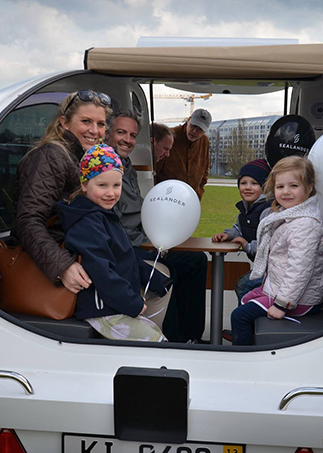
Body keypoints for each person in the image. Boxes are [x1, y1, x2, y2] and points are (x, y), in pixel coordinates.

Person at [106, 109, 208, 343]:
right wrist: (150, 243)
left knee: (196, 261)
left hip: (142, 239)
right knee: (172, 268)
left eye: (132, 135)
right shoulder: (106, 167)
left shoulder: (126, 165)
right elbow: (113, 222)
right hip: (128, 246)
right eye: (121, 132)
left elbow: (138, 208)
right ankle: (173, 339)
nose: (128, 140)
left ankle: (190, 336)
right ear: (108, 133)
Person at [56, 144, 166, 341]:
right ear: (84, 185)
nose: (110, 193)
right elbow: (102, 273)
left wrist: (154, 278)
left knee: (156, 333)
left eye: (116, 186)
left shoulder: (104, 215)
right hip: (103, 311)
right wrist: (132, 303)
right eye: (102, 186)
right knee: (156, 342)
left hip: (113, 304)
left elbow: (124, 255)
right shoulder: (87, 224)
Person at [12, 89, 111, 295]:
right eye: (86, 122)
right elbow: (28, 220)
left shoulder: (81, 158)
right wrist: (63, 267)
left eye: (100, 124)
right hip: (55, 269)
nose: (95, 131)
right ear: (64, 123)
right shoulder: (51, 156)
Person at [230, 156, 323, 346]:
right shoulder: (290, 216)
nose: (286, 192)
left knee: (239, 316)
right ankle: (248, 339)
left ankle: (243, 357)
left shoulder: (305, 226)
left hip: (299, 299)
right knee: (246, 296)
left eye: (293, 186)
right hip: (284, 289)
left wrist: (281, 304)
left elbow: (299, 271)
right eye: (280, 187)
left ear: (309, 188)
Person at [212, 158, 272, 302]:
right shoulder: (246, 209)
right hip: (263, 267)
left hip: (272, 269)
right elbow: (239, 228)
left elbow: (268, 244)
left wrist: (247, 246)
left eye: (254, 183)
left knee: (243, 286)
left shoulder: (267, 211)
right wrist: (228, 235)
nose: (248, 187)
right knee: (242, 284)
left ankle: (245, 321)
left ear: (264, 187)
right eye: (243, 183)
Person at [155, 108, 211, 199]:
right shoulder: (170, 135)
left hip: (191, 199)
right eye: (193, 126)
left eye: (200, 129)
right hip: (165, 197)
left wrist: (199, 192)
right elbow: (156, 168)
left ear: (205, 131)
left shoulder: (204, 142)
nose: (194, 131)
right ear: (188, 120)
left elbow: (205, 169)